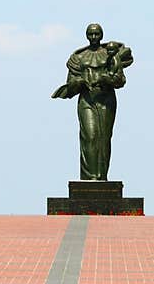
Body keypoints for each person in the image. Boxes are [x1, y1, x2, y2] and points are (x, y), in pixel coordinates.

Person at [52, 23, 133, 180]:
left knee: (104, 138)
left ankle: (101, 176)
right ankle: (89, 178)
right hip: (87, 100)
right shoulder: (79, 57)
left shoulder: (110, 54)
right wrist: (79, 82)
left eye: (97, 34)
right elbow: (70, 83)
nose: (94, 37)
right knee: (89, 136)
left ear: (101, 35)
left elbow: (120, 80)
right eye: (91, 34)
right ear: (86, 36)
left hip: (106, 99)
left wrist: (107, 79)